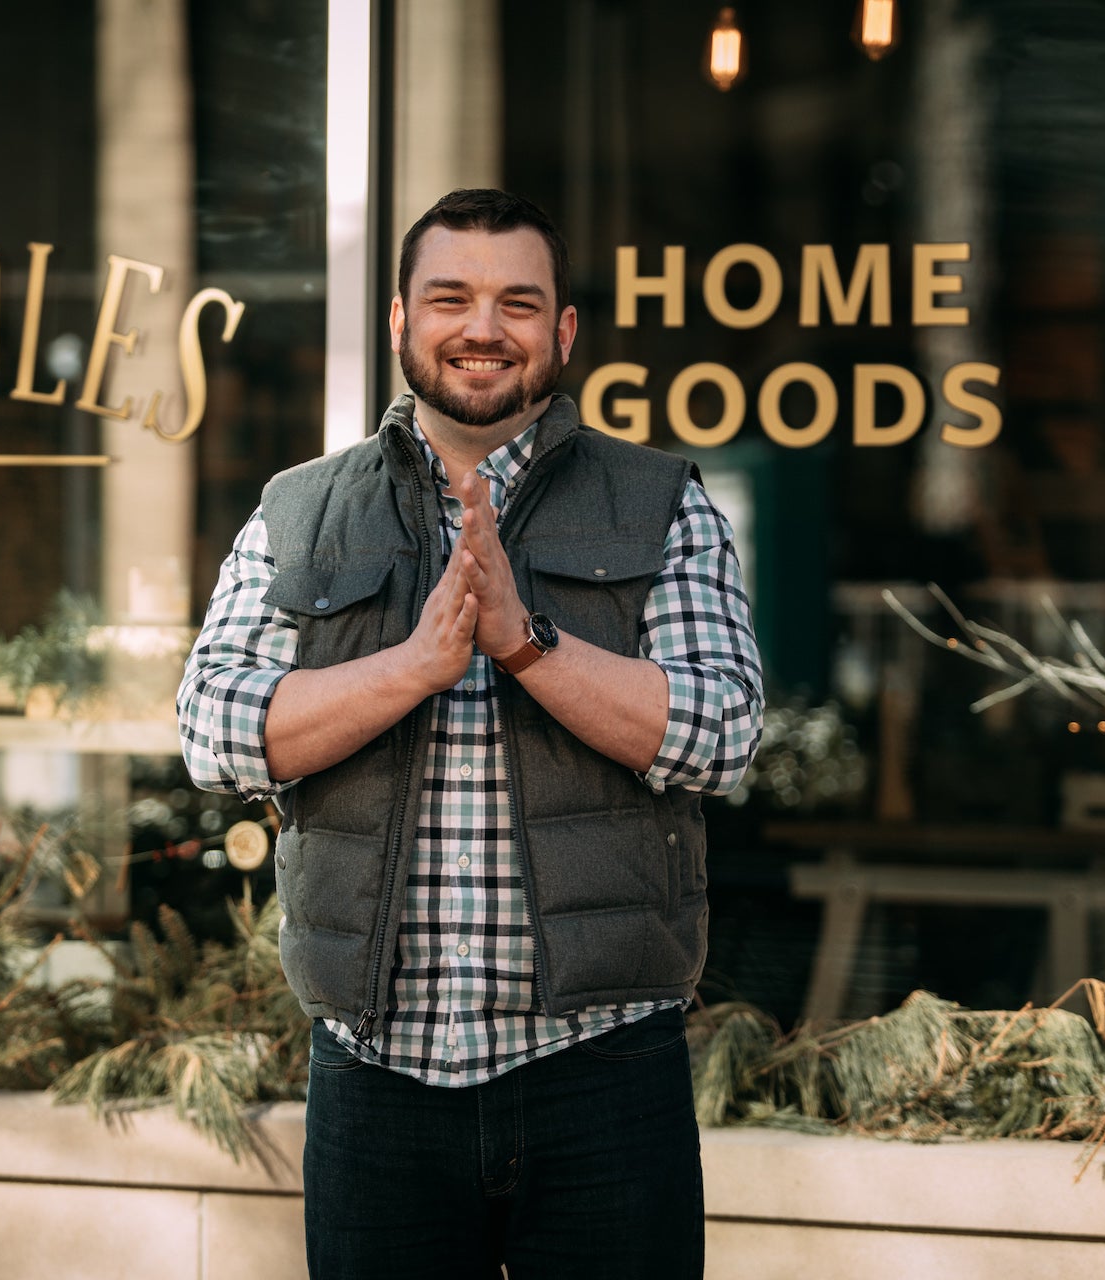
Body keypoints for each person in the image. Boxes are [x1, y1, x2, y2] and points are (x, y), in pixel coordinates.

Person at [178, 188, 763, 1279]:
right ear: (400, 321)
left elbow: (723, 729)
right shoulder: (300, 511)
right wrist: (415, 665)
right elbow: (214, 730)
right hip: (374, 1079)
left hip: (602, 1071)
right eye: (450, 297)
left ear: (565, 332)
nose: (482, 327)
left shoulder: (662, 502)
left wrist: (525, 643)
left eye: (518, 302)